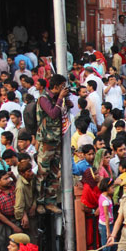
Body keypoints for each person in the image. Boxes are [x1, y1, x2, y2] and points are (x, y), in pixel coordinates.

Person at [35, 74, 71, 211]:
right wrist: (60, 98)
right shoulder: (44, 98)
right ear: (56, 86)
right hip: (46, 140)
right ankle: (39, 201)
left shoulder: (58, 99)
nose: (64, 88)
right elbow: (53, 113)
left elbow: (69, 107)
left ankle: (50, 200)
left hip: (56, 140)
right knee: (42, 172)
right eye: (62, 86)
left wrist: (65, 99)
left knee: (55, 173)